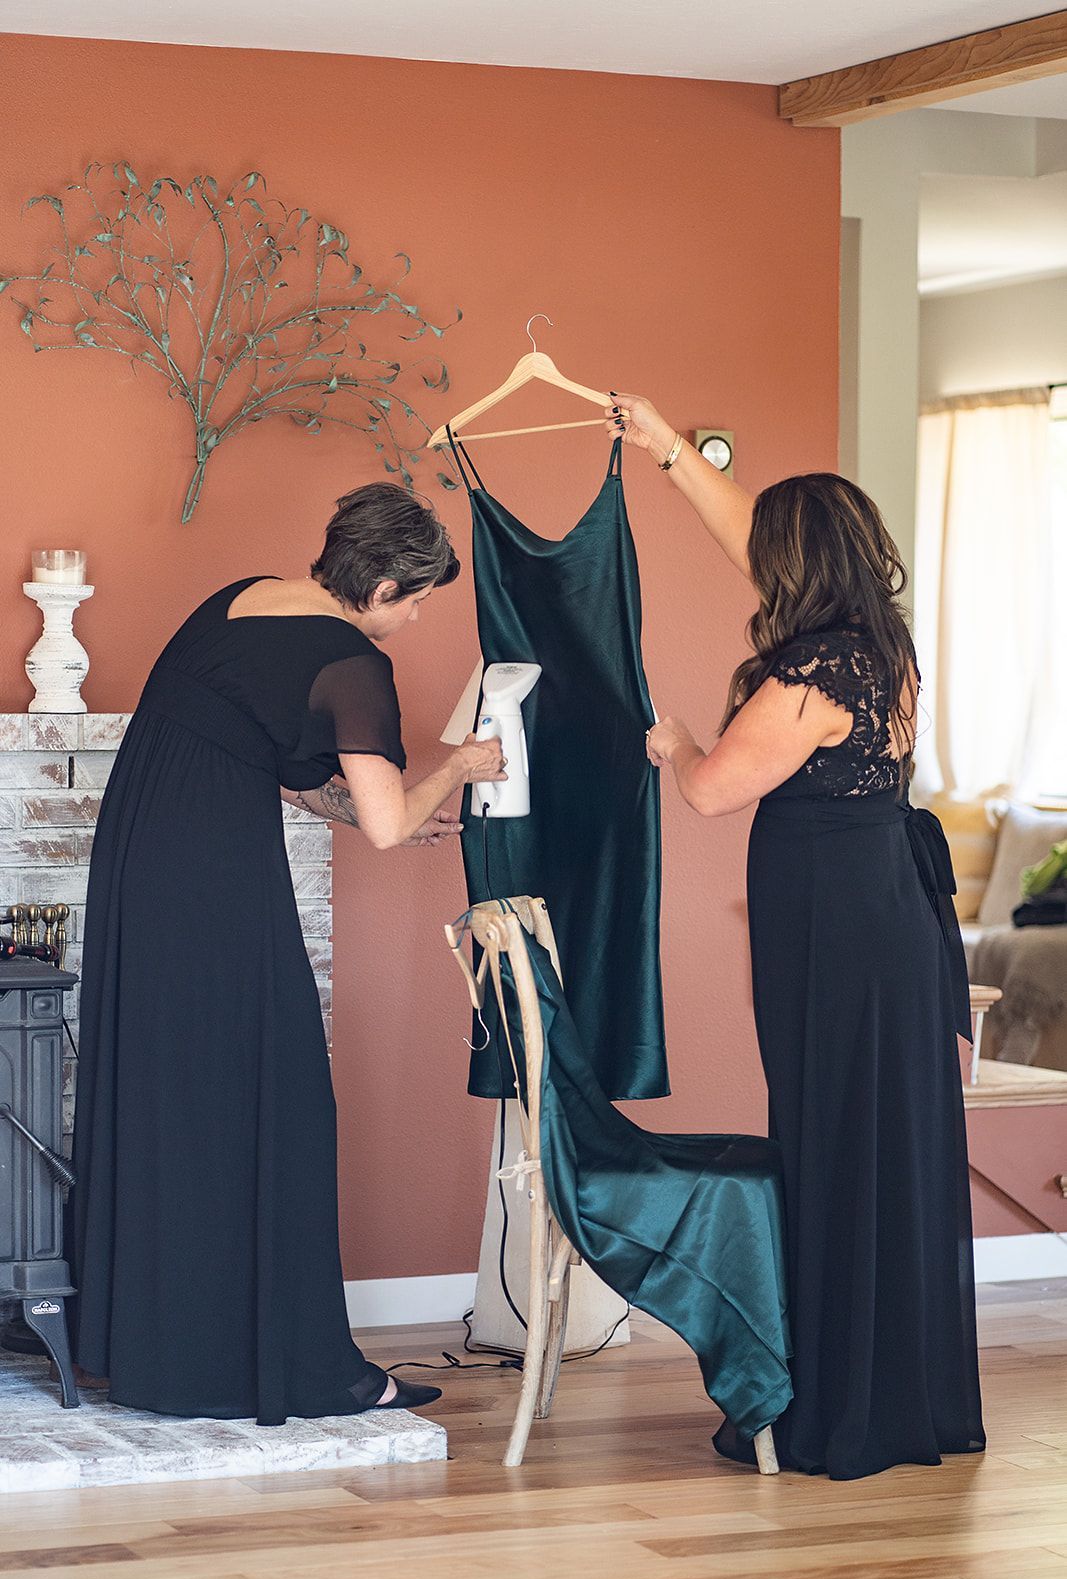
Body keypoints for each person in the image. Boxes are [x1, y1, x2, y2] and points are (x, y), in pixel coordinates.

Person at [605, 392, 985, 1480]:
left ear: (798, 569)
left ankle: (836, 1405)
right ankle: (896, 1390)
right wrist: (668, 450)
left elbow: (711, 791)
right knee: (880, 1149)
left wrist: (675, 742)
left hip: (840, 946)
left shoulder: (809, 675)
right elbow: (753, 543)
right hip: (883, 928)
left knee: (833, 1143)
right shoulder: (879, 649)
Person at [71, 482, 505, 1424]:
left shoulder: (239, 599)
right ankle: (297, 1367)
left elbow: (295, 780)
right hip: (214, 876)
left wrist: (410, 809)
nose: (415, 619)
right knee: (276, 1097)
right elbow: (383, 825)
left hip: (142, 859)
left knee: (175, 1089)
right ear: (382, 587)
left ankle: (144, 1341)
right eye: (415, 601)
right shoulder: (351, 661)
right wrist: (458, 771)